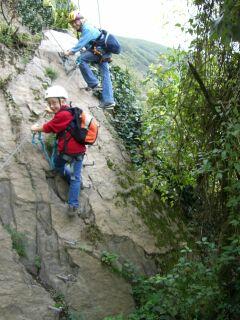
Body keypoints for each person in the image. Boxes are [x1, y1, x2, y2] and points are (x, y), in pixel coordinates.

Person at [31, 85, 85, 217]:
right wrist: (52, 111)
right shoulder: (70, 111)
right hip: (80, 151)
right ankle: (73, 204)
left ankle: (68, 179)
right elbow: (61, 117)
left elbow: (49, 127)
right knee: (76, 177)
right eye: (50, 103)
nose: (52, 105)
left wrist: (36, 128)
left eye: (54, 103)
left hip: (67, 152)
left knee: (58, 164)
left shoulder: (62, 115)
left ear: (63, 101)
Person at [64, 10, 115, 110]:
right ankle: (109, 101)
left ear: (81, 20)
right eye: (72, 23)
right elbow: (89, 43)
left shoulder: (87, 28)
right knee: (105, 74)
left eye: (75, 21)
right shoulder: (88, 27)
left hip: (100, 51)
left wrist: (69, 52)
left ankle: (93, 83)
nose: (74, 24)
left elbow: (77, 47)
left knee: (81, 59)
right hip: (104, 51)